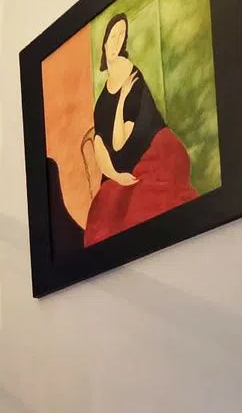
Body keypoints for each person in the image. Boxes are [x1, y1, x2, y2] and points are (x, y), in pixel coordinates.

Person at [84, 12, 198, 246]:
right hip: (123, 165)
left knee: (144, 203)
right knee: (106, 207)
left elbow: (120, 143)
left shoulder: (133, 77)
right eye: (113, 36)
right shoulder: (102, 101)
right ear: (104, 43)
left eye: (122, 36)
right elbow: (100, 147)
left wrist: (123, 99)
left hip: (155, 150)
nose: (116, 42)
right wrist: (116, 176)